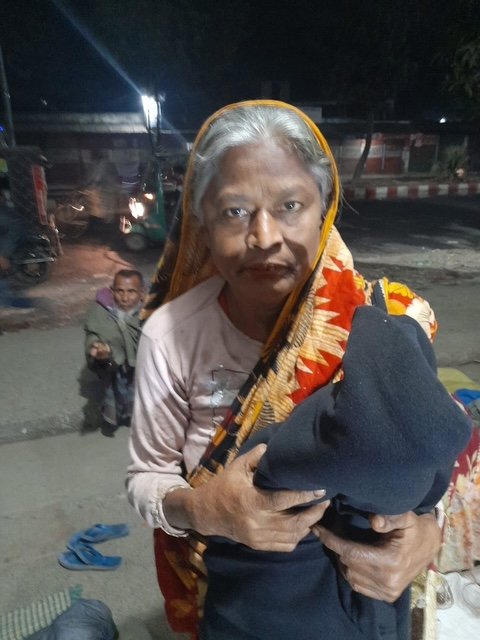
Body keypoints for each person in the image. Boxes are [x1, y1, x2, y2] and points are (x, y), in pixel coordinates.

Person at [126, 101, 447, 640]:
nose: (264, 236)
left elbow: (426, 454)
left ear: (325, 208)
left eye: (290, 205)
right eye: (234, 211)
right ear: (202, 222)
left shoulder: (384, 320)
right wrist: (204, 510)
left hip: (362, 605)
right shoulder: (172, 336)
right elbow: (146, 476)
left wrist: (427, 534)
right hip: (236, 600)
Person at [84, 269, 144, 435]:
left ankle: (135, 419)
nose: (125, 298)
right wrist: (97, 348)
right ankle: (115, 419)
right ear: (112, 292)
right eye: (120, 291)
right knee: (116, 393)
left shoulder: (149, 313)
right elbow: (93, 334)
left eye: (131, 292)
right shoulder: (101, 311)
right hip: (115, 366)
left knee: (138, 395)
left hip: (142, 368)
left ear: (141, 292)